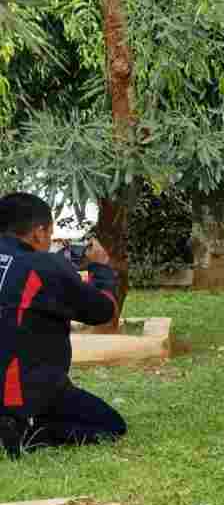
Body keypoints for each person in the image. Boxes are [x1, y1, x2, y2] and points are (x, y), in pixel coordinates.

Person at [0, 192, 127, 456]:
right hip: (23, 389)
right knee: (110, 425)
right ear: (38, 232)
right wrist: (101, 269)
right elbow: (103, 312)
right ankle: (28, 433)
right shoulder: (44, 266)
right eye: (49, 233)